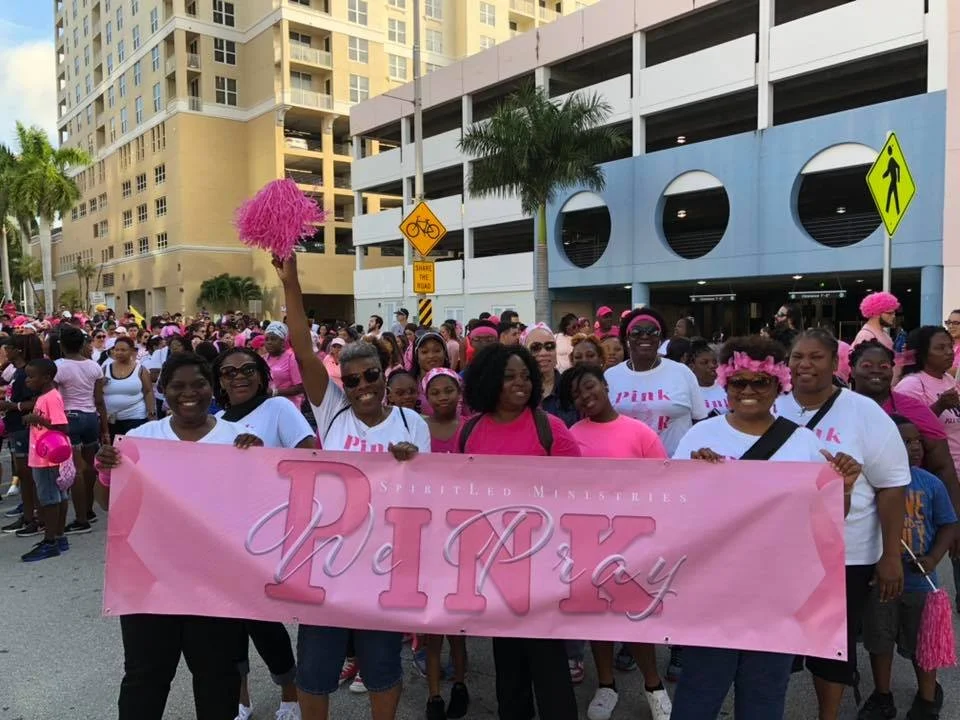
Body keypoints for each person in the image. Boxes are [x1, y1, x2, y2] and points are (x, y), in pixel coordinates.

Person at [671, 335, 861, 720]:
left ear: (779, 384)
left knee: (764, 698)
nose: (749, 390)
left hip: (777, 595)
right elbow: (674, 515)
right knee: (698, 696)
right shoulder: (698, 437)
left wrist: (845, 488)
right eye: (738, 382)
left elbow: (827, 523)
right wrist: (691, 477)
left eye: (760, 382)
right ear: (725, 384)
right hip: (712, 592)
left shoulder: (804, 442)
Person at [275, 253, 429, 720]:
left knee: (382, 664)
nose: (361, 385)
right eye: (352, 377)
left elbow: (426, 493)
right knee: (316, 667)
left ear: (386, 375)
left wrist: (410, 464)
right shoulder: (332, 410)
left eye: (371, 376)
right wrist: (292, 282)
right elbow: (303, 349)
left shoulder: (411, 422)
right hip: (329, 563)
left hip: (384, 564)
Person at [94, 352, 263, 720]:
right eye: (178, 386)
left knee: (217, 678)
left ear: (212, 388)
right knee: (145, 677)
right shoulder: (140, 439)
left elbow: (260, 510)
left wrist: (261, 466)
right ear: (163, 391)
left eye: (199, 384)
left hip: (217, 585)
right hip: (150, 585)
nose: (190, 393)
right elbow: (108, 504)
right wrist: (107, 473)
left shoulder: (240, 441)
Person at [777, 329, 909, 720]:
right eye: (798, 356)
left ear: (835, 363)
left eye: (816, 357)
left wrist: (890, 555)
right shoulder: (773, 407)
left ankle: (828, 715)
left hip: (846, 553)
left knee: (831, 641)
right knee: (777, 638)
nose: (805, 365)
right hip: (779, 551)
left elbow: (891, 486)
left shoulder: (863, 412)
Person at [458, 343, 579, 720]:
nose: (520, 383)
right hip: (495, 567)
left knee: (549, 665)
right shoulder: (470, 431)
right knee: (508, 665)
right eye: (509, 376)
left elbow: (580, 495)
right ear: (489, 381)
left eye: (525, 376)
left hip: (543, 565)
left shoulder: (550, 428)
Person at [558, 364, 671, 720]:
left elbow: (664, 485)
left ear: (605, 386)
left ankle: (653, 685)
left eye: (589, 386)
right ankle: (606, 685)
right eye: (576, 393)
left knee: (636, 617)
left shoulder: (640, 433)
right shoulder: (572, 434)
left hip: (635, 539)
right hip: (588, 539)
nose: (585, 396)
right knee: (598, 619)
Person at [211, 347, 315, 720]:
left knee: (263, 621)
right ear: (219, 381)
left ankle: (290, 694)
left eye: (247, 369)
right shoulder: (217, 421)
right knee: (228, 625)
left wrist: (266, 457)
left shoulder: (278, 409)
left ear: (261, 374)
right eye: (228, 372)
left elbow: (310, 454)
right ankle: (241, 699)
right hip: (223, 536)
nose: (238, 377)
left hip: (267, 534)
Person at [859, 415, 956, 720]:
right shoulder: (873, 484)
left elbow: (949, 524)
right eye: (904, 441)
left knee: (923, 643)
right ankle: (882, 695)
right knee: (880, 638)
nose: (914, 447)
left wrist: (934, 558)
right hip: (882, 578)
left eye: (916, 441)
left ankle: (927, 698)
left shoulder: (930, 483)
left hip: (919, 579)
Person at [849, 340, 960, 506]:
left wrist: (954, 523)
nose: (876, 371)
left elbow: (943, 467)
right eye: (866, 365)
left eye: (884, 366)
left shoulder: (914, 409)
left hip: (907, 506)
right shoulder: (836, 406)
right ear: (852, 370)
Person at [419, 367, 470, 720]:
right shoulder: (417, 426)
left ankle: (461, 684)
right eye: (435, 391)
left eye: (448, 390)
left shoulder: (472, 427)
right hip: (427, 533)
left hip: (464, 532)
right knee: (431, 623)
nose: (442, 397)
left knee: (457, 624)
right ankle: (434, 693)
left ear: (459, 391)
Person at [605, 307, 707, 455]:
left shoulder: (682, 372)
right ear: (626, 339)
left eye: (652, 332)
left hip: (677, 466)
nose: (645, 336)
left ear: (660, 339)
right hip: (628, 467)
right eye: (636, 332)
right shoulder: (611, 376)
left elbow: (700, 422)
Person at [56, 325, 110, 535]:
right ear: (82, 344)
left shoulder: (58, 366)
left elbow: (54, 397)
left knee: (77, 469)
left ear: (61, 345)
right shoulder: (94, 366)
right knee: (90, 467)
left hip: (70, 417)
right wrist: (104, 428)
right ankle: (88, 510)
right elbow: (99, 400)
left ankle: (80, 519)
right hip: (91, 418)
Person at [20, 359, 71, 562]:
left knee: (50, 499)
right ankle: (59, 538)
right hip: (44, 454)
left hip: (48, 457)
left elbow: (63, 427)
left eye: (32, 377)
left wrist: (37, 420)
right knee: (57, 497)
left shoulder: (51, 398)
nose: (27, 381)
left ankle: (50, 541)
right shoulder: (44, 397)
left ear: (47, 378)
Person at [0, 334, 43, 537]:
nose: (4, 351)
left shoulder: (27, 373)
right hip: (14, 426)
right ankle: (27, 514)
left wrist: (12, 406)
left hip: (23, 427)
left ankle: (33, 516)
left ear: (18, 350)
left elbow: (35, 401)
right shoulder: (16, 372)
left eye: (7, 347)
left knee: (27, 475)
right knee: (23, 474)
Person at [102, 336, 156, 441]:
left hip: (135, 417)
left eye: (123, 350)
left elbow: (148, 391)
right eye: (116, 350)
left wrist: (151, 413)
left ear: (131, 351)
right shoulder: (105, 368)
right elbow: (97, 392)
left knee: (134, 450)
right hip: (111, 419)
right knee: (115, 451)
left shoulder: (140, 369)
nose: (119, 353)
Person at [523, 323, 576, 426]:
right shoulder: (519, 391)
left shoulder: (570, 387)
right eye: (535, 347)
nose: (544, 353)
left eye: (549, 346)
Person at [263, 322, 305, 407]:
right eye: (266, 339)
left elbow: (301, 387)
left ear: (283, 341)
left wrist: (275, 392)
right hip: (268, 406)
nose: (269, 342)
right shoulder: (263, 358)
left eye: (273, 339)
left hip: (288, 407)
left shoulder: (291, 358)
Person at [411, 332, 451, 414]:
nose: (431, 356)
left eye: (437, 351)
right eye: (425, 352)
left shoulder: (457, 382)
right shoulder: (409, 384)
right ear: (416, 356)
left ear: (445, 354)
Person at [687, 338, 727, 416]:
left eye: (714, 362)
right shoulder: (688, 391)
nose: (712, 366)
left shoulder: (725, 387)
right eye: (705, 362)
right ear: (691, 367)